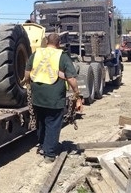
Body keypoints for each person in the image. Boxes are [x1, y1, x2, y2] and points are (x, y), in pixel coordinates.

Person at [23, 33, 82, 163]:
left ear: (46, 42)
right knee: (53, 123)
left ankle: (43, 146)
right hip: (54, 97)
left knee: (42, 121)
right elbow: (71, 78)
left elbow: (27, 73)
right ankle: (49, 154)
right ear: (58, 43)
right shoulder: (62, 56)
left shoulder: (37, 54)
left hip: (37, 96)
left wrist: (28, 84)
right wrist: (77, 94)